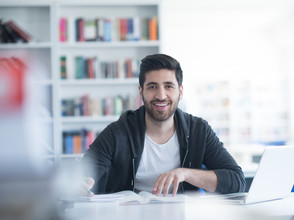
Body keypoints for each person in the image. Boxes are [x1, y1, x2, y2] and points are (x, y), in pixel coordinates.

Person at [81, 54, 246, 197]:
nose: (161, 95)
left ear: (180, 91)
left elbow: (236, 181)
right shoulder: (118, 132)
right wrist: (79, 185)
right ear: (141, 92)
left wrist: (185, 174)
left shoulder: (199, 130)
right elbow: (81, 174)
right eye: (152, 87)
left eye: (168, 86)